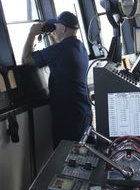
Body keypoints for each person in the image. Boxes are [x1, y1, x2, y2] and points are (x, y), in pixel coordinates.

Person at [22, 11, 92, 148]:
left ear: (64, 28)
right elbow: (60, 54)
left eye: (56, 25)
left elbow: (26, 59)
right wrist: (55, 38)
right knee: (84, 155)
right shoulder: (80, 47)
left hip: (68, 115)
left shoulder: (61, 49)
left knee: (65, 157)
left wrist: (32, 34)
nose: (54, 27)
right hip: (82, 111)